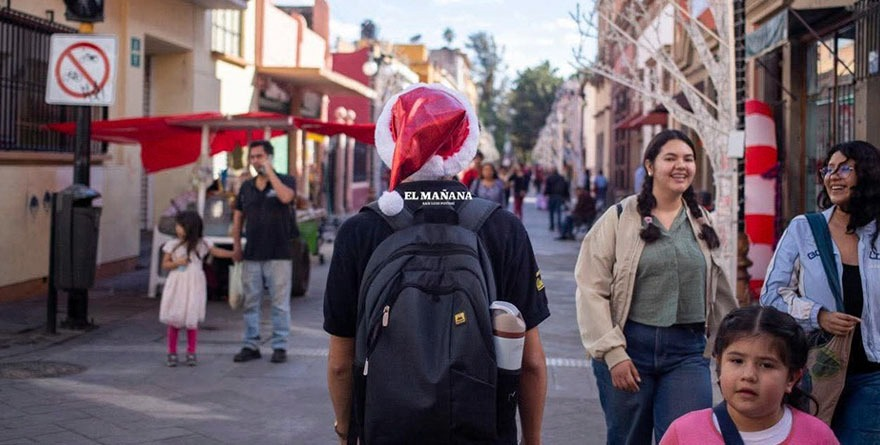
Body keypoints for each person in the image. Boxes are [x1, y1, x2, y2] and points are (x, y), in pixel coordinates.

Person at [325, 83, 549, 444]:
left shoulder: (360, 230)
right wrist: (532, 439)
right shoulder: (502, 227)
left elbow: (339, 362)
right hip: (482, 428)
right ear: (464, 145)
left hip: (386, 428)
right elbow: (532, 361)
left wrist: (345, 427)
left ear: (390, 141)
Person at [575, 129, 738, 444]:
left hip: (687, 352)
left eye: (688, 159)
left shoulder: (701, 219)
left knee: (689, 438)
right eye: (671, 158)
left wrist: (731, 344)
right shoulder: (620, 217)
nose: (682, 166)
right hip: (630, 348)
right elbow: (591, 287)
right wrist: (613, 353)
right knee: (628, 439)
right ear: (650, 166)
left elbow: (718, 289)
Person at [761, 140, 880, 442]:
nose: (833, 176)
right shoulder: (805, 229)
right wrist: (818, 315)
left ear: (868, 174)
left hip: (872, 376)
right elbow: (772, 296)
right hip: (815, 371)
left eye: (845, 168)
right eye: (829, 169)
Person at [660, 306, 839, 444]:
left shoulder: (817, 437)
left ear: (791, 378)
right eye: (737, 361)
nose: (749, 375)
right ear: (719, 364)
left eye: (766, 365)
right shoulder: (684, 433)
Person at [231, 140, 298, 364]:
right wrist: (237, 246)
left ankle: (279, 346)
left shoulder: (285, 181)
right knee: (251, 301)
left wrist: (270, 173)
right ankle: (251, 345)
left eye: (259, 157)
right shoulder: (246, 187)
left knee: (279, 303)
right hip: (252, 253)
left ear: (269, 158)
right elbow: (238, 216)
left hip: (279, 253)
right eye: (252, 157)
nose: (254, 161)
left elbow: (286, 197)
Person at [160, 210, 233, 367]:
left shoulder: (203, 244)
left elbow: (217, 252)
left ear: (189, 227)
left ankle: (191, 351)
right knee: (175, 317)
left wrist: (233, 254)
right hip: (178, 284)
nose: (177, 228)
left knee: (191, 318)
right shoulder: (172, 245)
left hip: (194, 284)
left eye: (179, 225)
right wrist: (177, 263)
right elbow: (165, 264)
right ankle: (171, 352)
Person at [543, 166, 569, 232]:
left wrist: (545, 193)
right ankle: (559, 226)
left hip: (552, 196)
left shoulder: (549, 178)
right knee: (558, 212)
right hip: (559, 196)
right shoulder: (561, 178)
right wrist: (566, 196)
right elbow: (565, 187)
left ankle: (552, 226)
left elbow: (547, 187)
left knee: (551, 212)